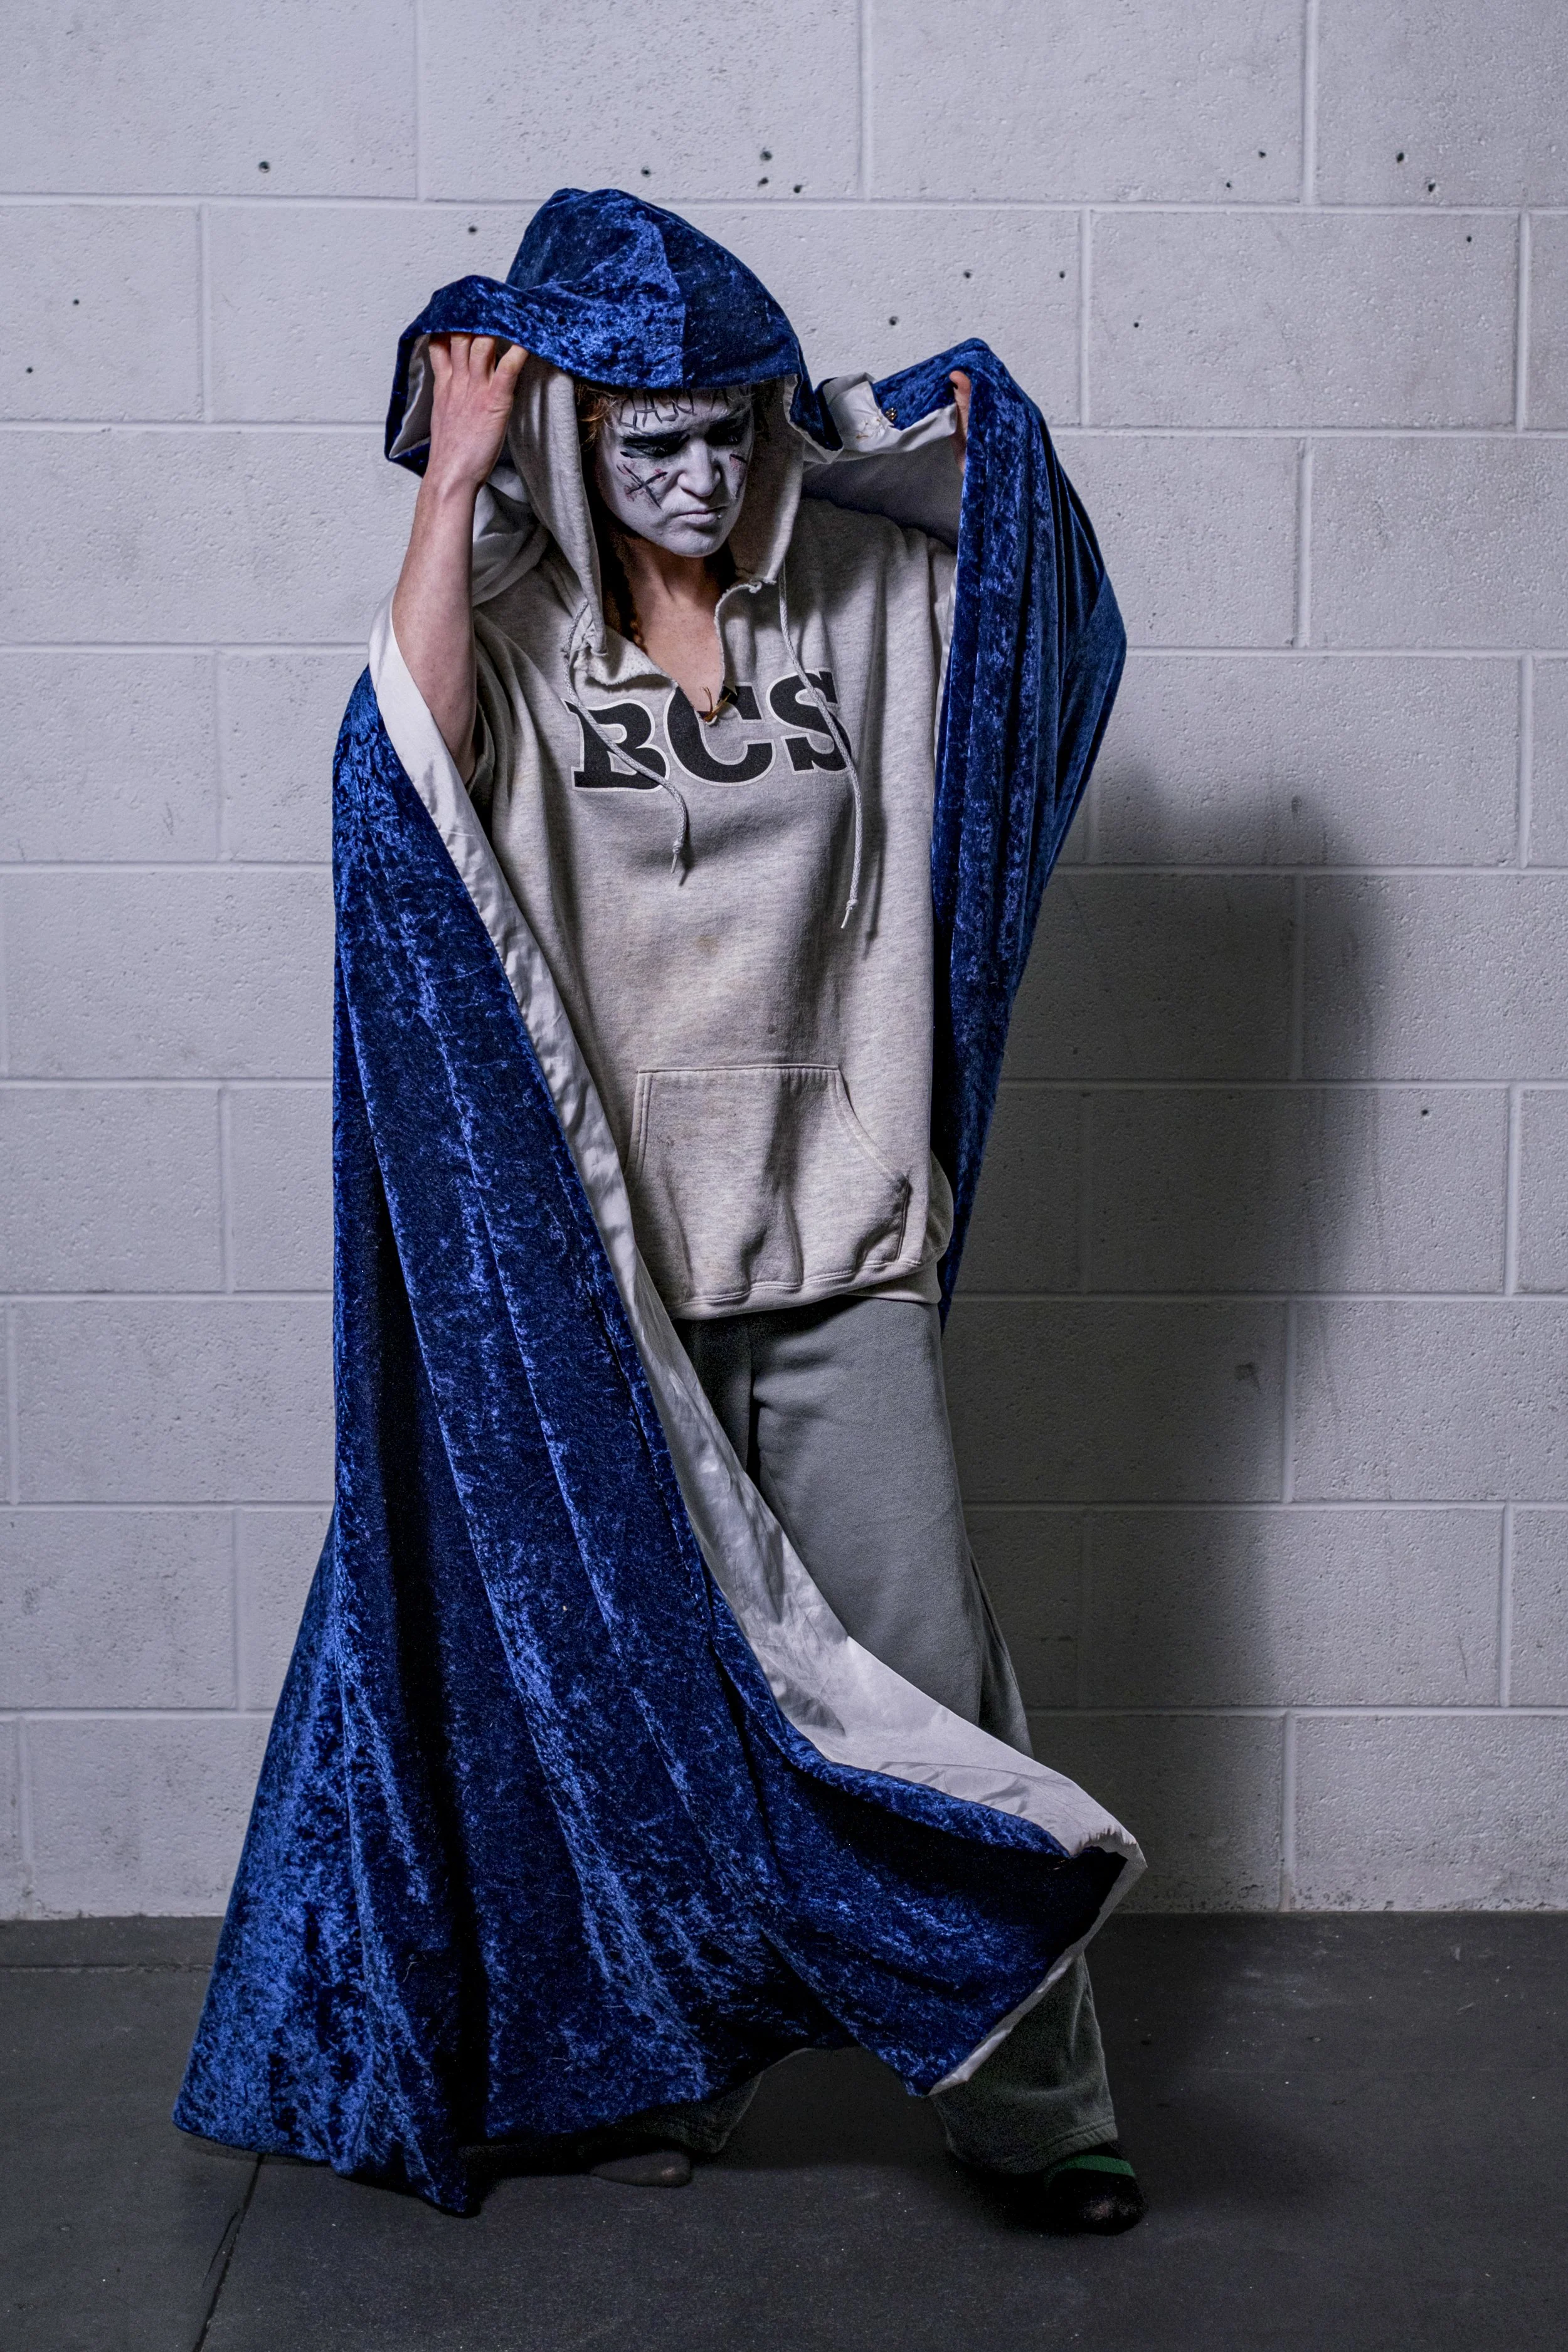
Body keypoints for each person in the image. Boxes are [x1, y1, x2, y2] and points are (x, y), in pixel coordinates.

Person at [383, 293, 1142, 2230]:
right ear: (579, 447)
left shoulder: (855, 602)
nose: (697, 473)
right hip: (614, 1287)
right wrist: (454, 480)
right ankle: (675, 2069)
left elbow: (1038, 601)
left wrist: (933, 425)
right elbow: (406, 775)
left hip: (832, 1247)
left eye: (725, 431)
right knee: (645, 1703)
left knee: (930, 1677)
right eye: (651, 437)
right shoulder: (523, 616)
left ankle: (1033, 2110)